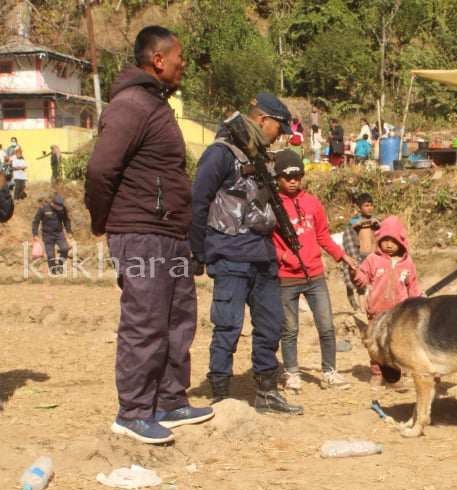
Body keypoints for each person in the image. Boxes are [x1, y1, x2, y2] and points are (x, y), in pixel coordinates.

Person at [85, 25, 213, 444]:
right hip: (141, 232)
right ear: (158, 60)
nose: (184, 65)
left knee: (178, 319)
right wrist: (105, 222)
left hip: (169, 232)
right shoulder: (131, 105)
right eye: (179, 57)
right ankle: (134, 412)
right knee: (145, 323)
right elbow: (101, 170)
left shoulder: (155, 105)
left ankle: (169, 401)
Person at [190, 94, 303, 416]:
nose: (279, 135)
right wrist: (197, 249)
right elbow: (198, 201)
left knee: (270, 325)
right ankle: (221, 395)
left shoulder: (261, 158)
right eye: (278, 128)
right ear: (263, 120)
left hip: (262, 256)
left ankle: (267, 392)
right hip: (230, 254)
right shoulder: (220, 154)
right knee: (227, 326)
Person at [273, 150, 359, 392]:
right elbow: (266, 240)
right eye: (287, 176)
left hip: (315, 276)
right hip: (286, 278)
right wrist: (283, 256)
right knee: (289, 330)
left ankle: (329, 372)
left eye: (297, 176)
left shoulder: (312, 202)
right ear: (277, 178)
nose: (293, 181)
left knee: (326, 326)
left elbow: (322, 235)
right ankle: (291, 373)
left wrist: (343, 256)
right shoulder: (272, 204)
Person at [355, 215, 421, 387]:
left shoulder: (407, 264)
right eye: (385, 240)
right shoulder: (373, 259)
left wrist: (418, 303)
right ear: (379, 240)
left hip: (400, 314)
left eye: (393, 241)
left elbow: (413, 286)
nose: (389, 244)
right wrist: (359, 277)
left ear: (401, 242)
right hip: (377, 311)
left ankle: (399, 374)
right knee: (376, 344)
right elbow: (363, 274)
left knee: (398, 343)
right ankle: (377, 373)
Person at [341, 192, 380, 311]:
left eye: (371, 205)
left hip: (374, 256)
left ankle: (374, 307)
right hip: (361, 257)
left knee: (376, 283)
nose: (369, 208)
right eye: (366, 206)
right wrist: (354, 258)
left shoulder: (375, 222)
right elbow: (349, 239)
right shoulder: (354, 223)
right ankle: (362, 310)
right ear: (359, 208)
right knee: (361, 286)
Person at [33, 194, 72, 274]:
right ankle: (53, 271)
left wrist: (69, 231)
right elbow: (36, 221)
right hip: (47, 235)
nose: (60, 208)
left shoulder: (62, 209)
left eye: (61, 206)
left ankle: (60, 266)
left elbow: (66, 220)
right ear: (52, 203)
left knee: (65, 249)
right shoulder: (43, 208)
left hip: (59, 234)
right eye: (58, 206)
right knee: (50, 255)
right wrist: (35, 234)